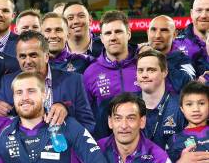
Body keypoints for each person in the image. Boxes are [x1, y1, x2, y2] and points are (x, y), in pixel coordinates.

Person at [0, 30, 95, 132]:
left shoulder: (73, 81)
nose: (28, 61)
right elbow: (2, 125)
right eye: (22, 56)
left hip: (64, 145)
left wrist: (67, 111)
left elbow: (87, 124)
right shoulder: (7, 83)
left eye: (33, 55)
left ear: (46, 57)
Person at [83, 10, 139, 139]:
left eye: (118, 32)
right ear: (102, 38)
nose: (113, 37)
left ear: (128, 34)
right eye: (108, 33)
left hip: (143, 147)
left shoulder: (143, 65)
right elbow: (86, 117)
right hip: (106, 149)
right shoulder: (90, 73)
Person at [137, 49, 186, 149]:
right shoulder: (126, 105)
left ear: (164, 72)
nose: (144, 75)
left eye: (151, 70)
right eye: (140, 70)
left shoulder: (181, 106)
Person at [146, 15, 196, 92]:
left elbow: (189, 85)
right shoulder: (137, 57)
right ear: (147, 32)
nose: (157, 35)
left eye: (164, 30)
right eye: (153, 30)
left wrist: (159, 60)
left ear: (174, 34)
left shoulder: (183, 59)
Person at [173, 0, 209, 70]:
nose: (203, 15)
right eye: (199, 10)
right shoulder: (175, 44)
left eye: (208, 10)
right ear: (192, 14)